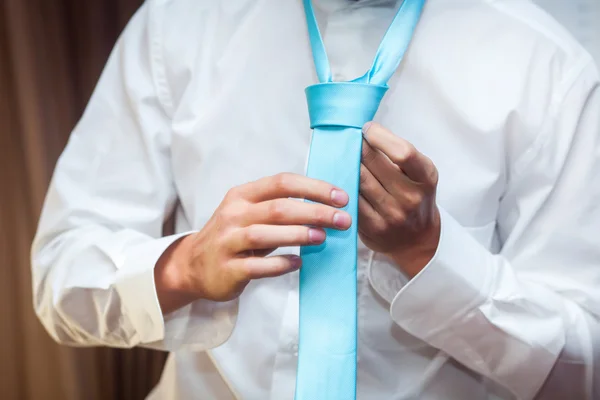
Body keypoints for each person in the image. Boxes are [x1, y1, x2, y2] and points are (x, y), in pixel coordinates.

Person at [31, 0, 600, 398]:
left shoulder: (548, 67)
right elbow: (61, 274)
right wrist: (181, 267)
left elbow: (584, 369)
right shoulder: (175, 27)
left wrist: (432, 255)